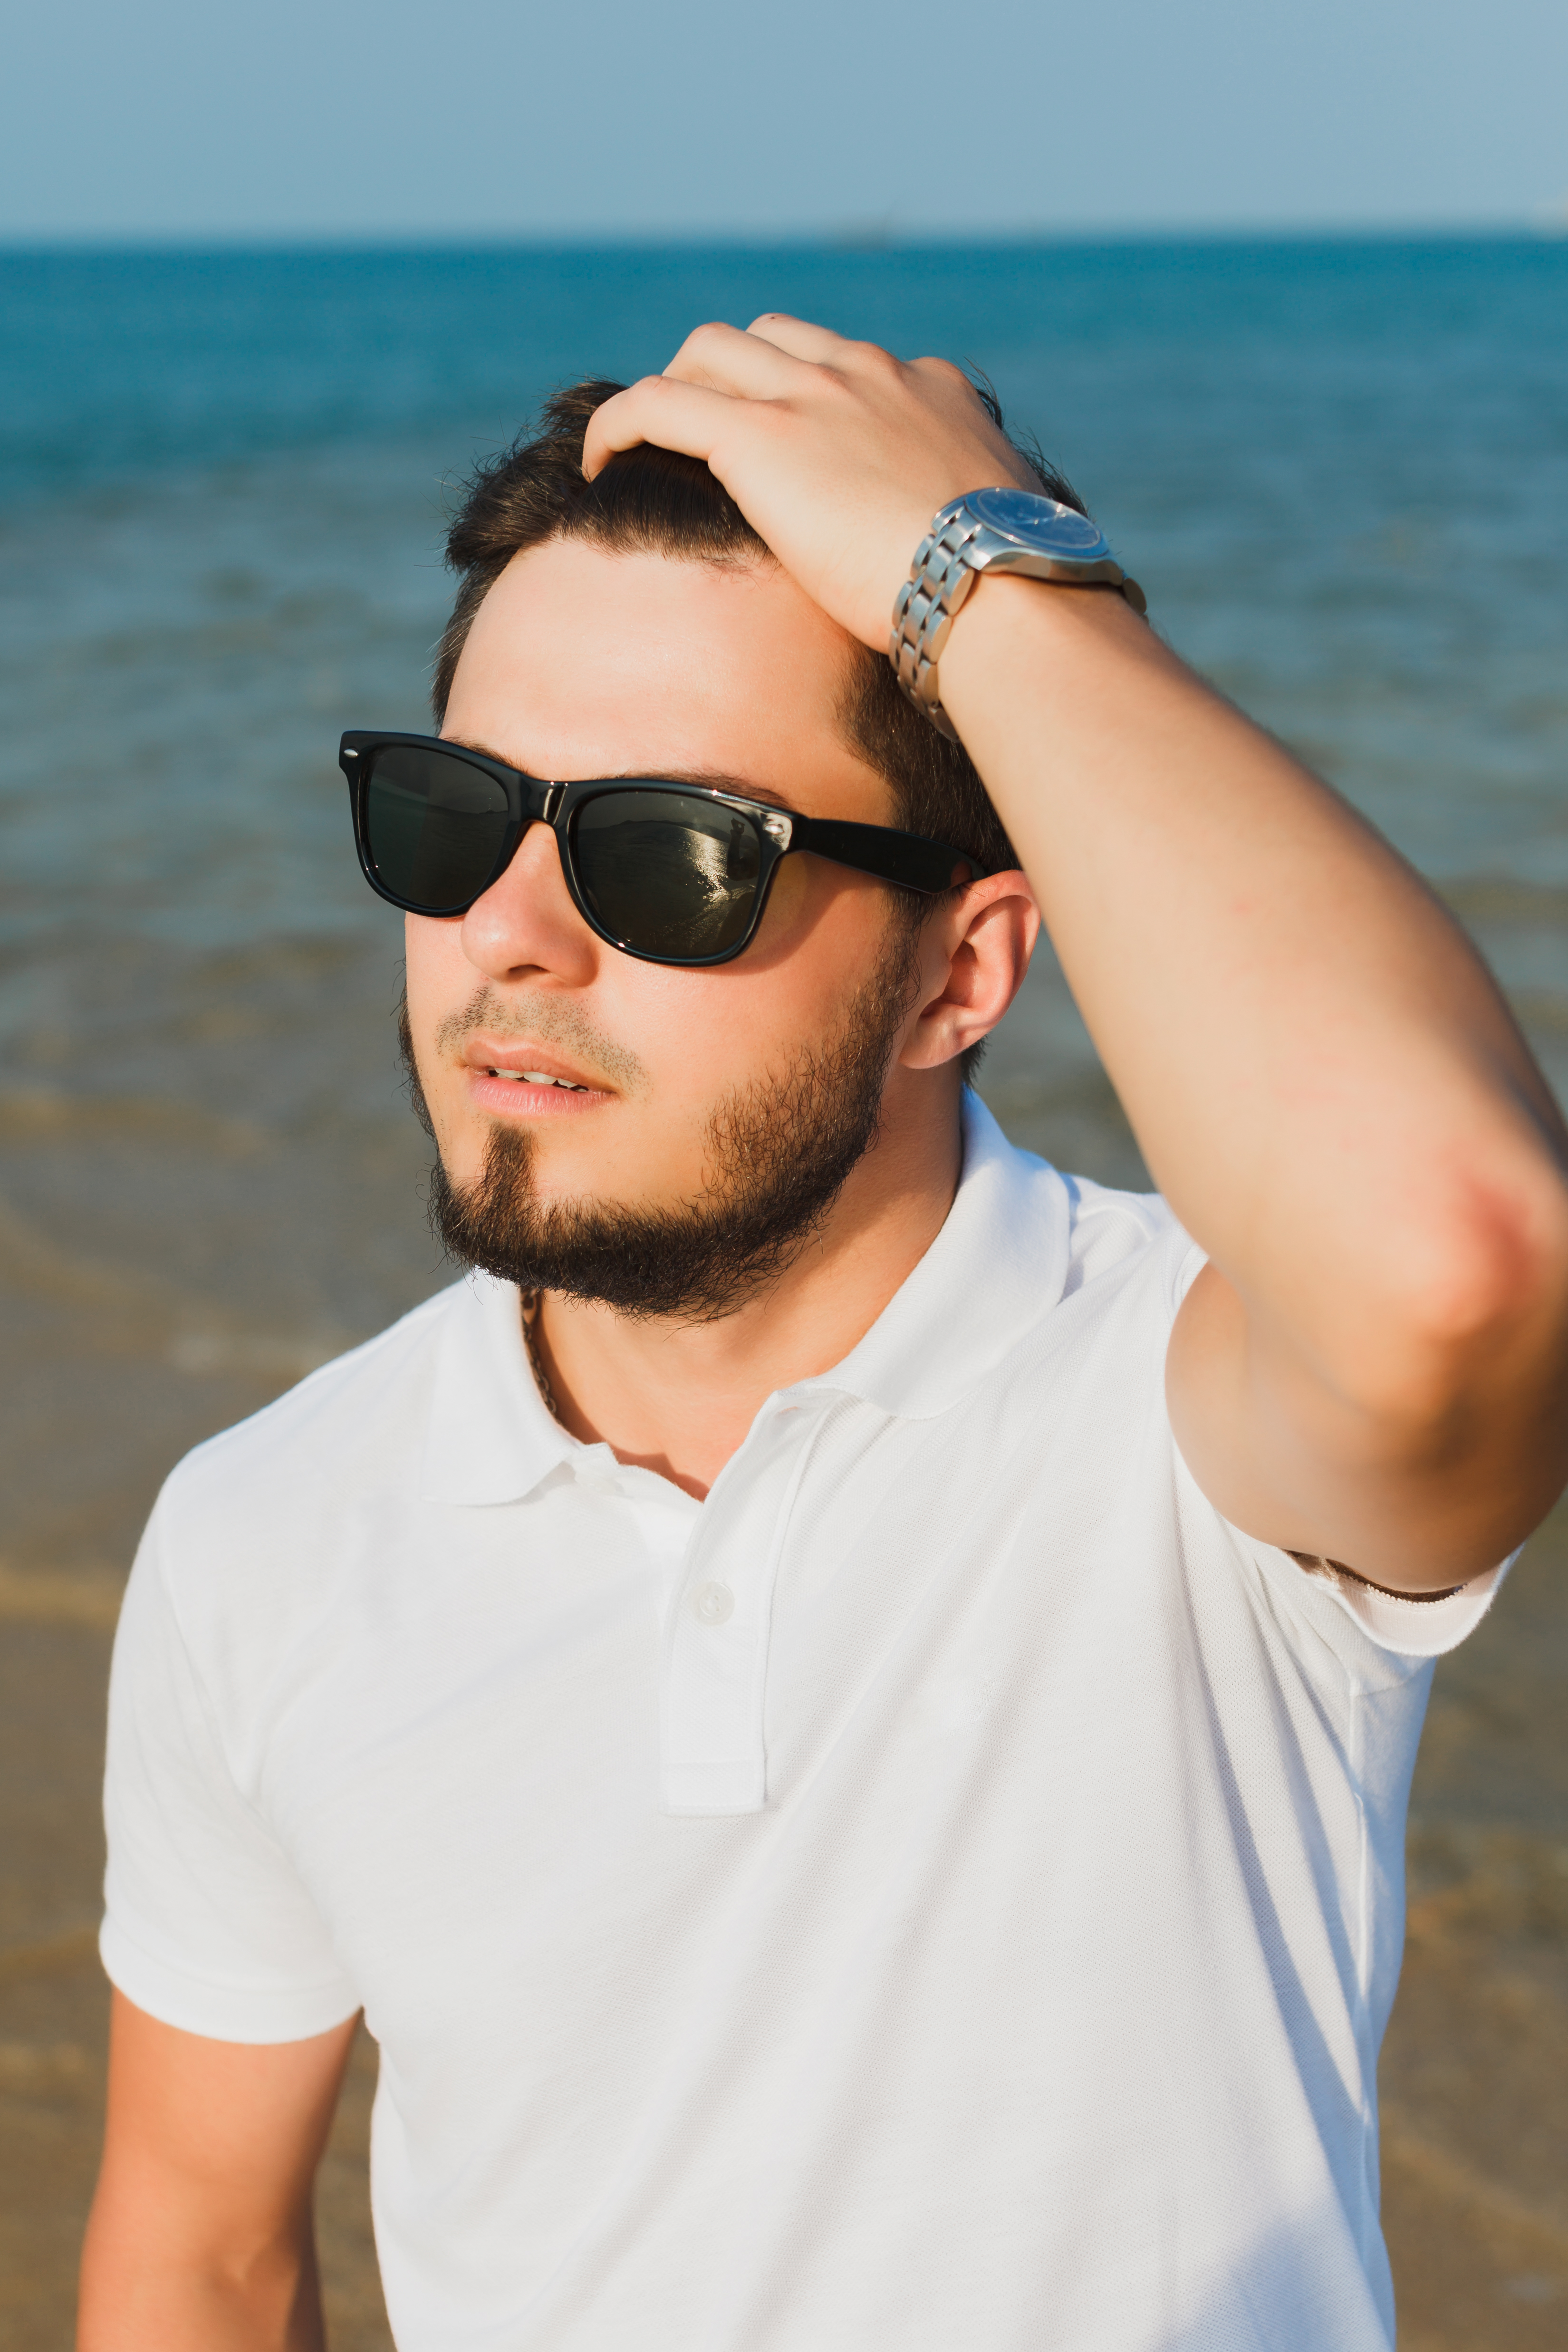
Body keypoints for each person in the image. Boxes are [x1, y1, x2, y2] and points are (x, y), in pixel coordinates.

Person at [79, 319, 1568, 2352]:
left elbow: (1465, 1255)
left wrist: (989, 573)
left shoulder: (1192, 1425)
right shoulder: (267, 1535)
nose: (515, 933)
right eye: (456, 818)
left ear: (965, 971)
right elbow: (199, 2257)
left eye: (672, 852)